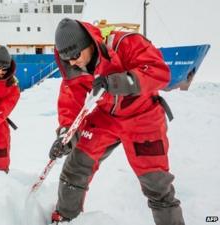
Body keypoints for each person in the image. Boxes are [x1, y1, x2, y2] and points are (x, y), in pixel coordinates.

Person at [49, 18, 185, 225]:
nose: (72, 62)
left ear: (88, 44)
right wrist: (66, 134)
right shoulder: (75, 69)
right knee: (76, 166)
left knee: (156, 184)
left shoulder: (126, 43)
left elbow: (160, 72)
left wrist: (118, 81)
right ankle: (65, 219)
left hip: (143, 117)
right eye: (66, 58)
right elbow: (71, 104)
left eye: (75, 55)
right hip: (106, 119)